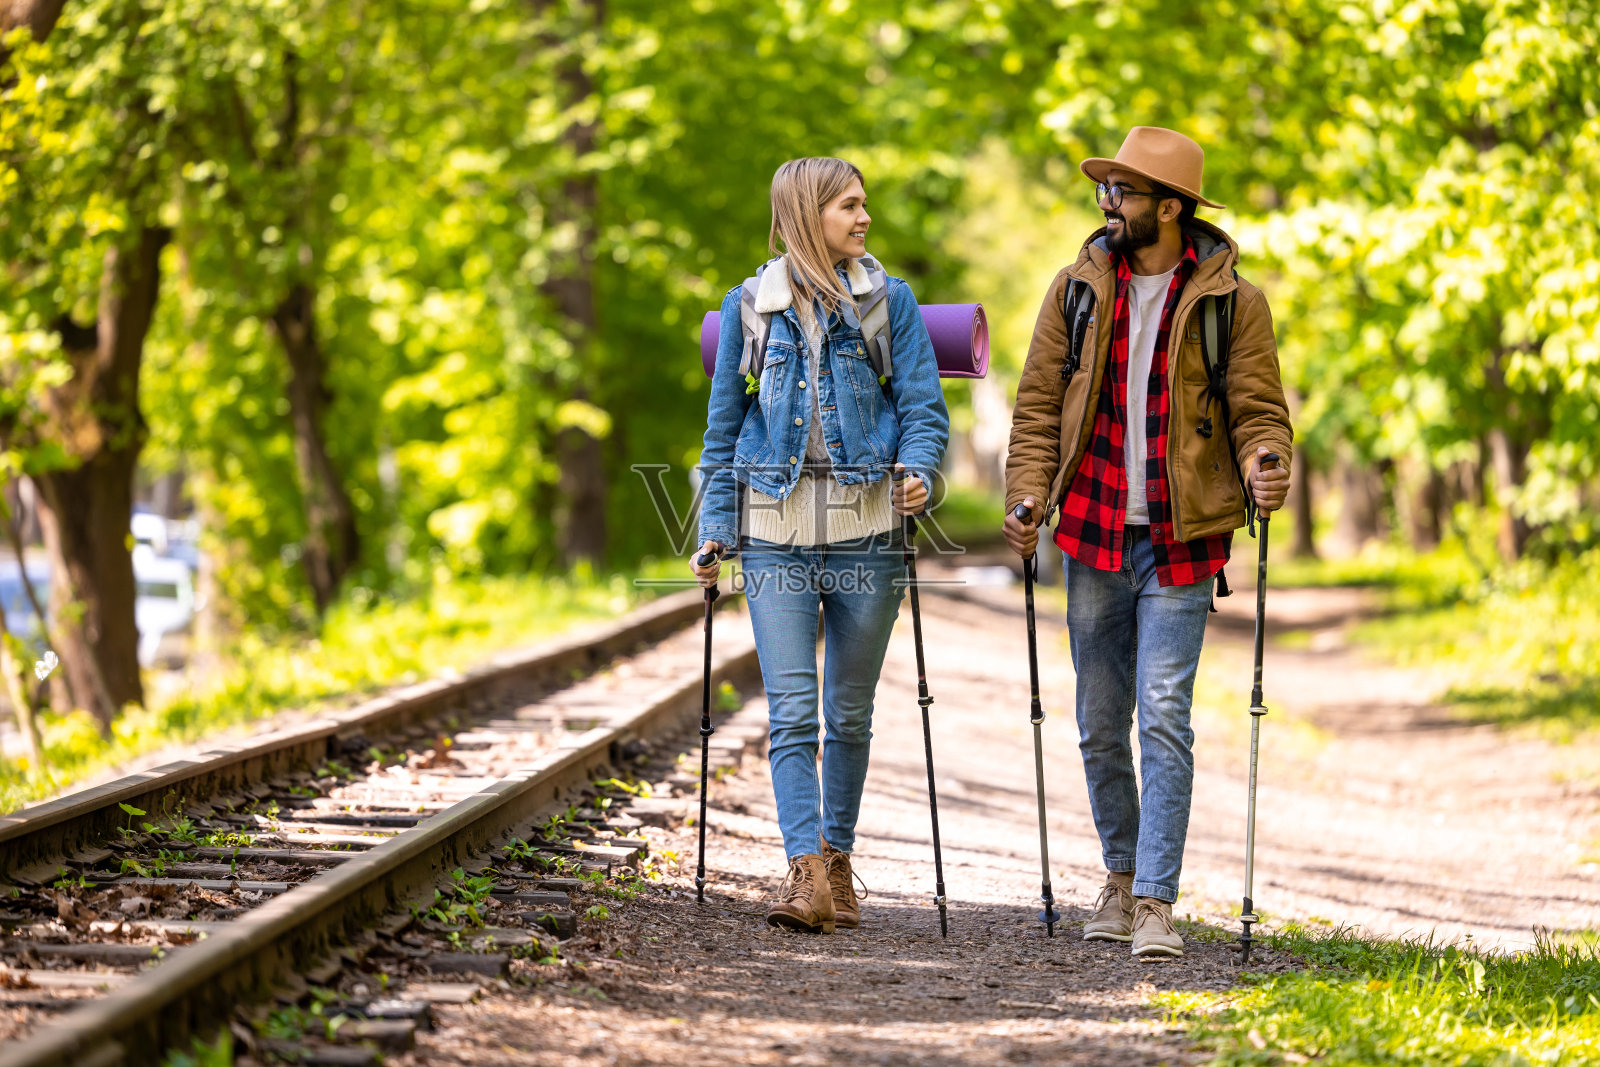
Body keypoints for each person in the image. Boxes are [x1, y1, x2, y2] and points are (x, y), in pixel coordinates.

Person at [1002, 127, 1292, 958]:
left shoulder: (1233, 301)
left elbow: (1259, 411)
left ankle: (1158, 898)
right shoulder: (1076, 290)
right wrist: (1026, 495)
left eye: (1122, 193)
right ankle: (1120, 877)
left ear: (1169, 207)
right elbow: (1034, 410)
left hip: (1183, 535)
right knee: (1099, 719)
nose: (1107, 204)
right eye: (1107, 191)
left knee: (1164, 712)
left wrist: (1265, 462)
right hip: (1092, 527)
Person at [692, 157, 950, 934]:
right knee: (794, 711)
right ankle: (804, 871)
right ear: (808, 214)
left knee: (849, 711)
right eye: (849, 205)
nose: (864, 217)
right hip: (773, 532)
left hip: (867, 532)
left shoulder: (888, 302)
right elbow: (723, 430)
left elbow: (922, 406)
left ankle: (837, 857)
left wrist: (920, 470)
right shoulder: (751, 308)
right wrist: (714, 525)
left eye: (864, 204)